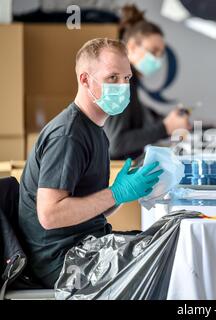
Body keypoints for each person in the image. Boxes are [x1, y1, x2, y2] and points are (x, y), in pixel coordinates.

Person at [18, 38, 164, 288]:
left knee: (167, 241)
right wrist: (115, 192)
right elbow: (50, 215)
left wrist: (119, 196)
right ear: (85, 80)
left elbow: (87, 212)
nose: (123, 86)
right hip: (63, 263)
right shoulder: (68, 136)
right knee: (163, 265)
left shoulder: (96, 130)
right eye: (112, 78)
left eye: (127, 78)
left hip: (86, 245)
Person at [104, 4, 191, 160]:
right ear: (131, 46)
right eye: (153, 51)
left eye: (161, 54)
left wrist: (168, 122)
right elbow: (116, 144)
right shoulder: (120, 81)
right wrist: (166, 127)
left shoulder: (130, 80)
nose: (158, 59)